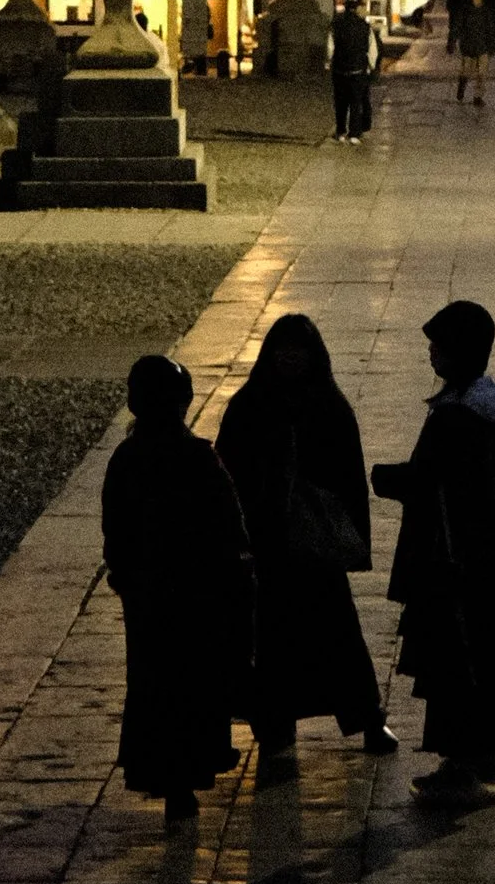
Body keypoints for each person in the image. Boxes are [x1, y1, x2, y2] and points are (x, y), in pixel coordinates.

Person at [215, 315, 398, 779]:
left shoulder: (327, 409)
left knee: (336, 635)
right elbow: (228, 473)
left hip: (311, 548)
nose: (290, 357)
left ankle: (366, 718)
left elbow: (349, 480)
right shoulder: (251, 406)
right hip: (270, 546)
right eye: (284, 349)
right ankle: (279, 729)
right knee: (276, 641)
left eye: (299, 350)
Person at [372, 298, 495, 809]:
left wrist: (378, 477)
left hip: (449, 563)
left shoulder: (457, 416)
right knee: (478, 661)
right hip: (482, 563)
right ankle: (475, 760)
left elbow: (428, 482)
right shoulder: (492, 409)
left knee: (455, 666)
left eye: (438, 346)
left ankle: (466, 764)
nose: (432, 354)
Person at [100, 354, 253, 827]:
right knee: (193, 684)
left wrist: (124, 576)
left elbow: (115, 529)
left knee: (152, 685)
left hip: (149, 594)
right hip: (197, 593)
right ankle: (187, 775)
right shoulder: (198, 457)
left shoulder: (127, 458)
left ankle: (166, 776)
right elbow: (231, 527)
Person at [328, 0, 378, 141]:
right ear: (356, 9)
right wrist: (370, 65)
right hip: (358, 69)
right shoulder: (364, 26)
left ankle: (341, 131)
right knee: (356, 101)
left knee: (340, 102)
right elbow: (372, 49)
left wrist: (329, 61)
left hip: (340, 69)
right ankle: (354, 133)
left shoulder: (336, 24)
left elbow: (330, 47)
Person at [454, 0, 495, 109]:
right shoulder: (465, 10)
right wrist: (453, 39)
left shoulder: (486, 11)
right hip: (468, 46)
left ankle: (478, 96)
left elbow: (490, 29)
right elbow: (457, 26)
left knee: (481, 74)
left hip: (483, 46)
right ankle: (462, 84)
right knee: (466, 71)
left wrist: (491, 45)